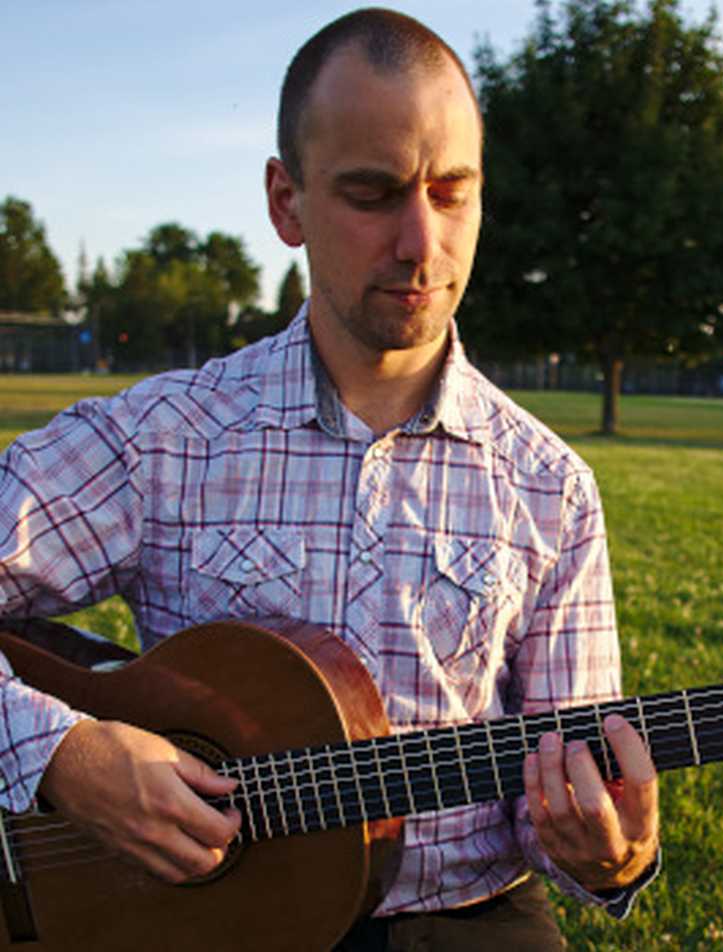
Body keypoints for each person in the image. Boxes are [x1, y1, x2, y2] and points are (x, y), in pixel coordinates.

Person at [0, 8, 659, 949]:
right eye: (374, 192)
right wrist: (63, 755)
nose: (420, 242)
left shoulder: (549, 487)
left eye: (451, 190)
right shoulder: (164, 437)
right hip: (203, 913)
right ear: (287, 202)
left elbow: (562, 813)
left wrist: (608, 853)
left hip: (464, 917)